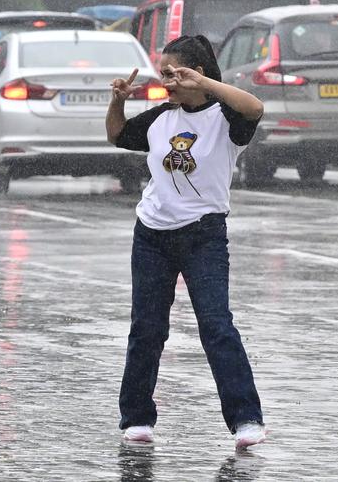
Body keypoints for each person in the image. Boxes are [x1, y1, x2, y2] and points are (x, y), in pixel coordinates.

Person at [106, 34, 267, 449]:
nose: (169, 82)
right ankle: (136, 418)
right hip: (152, 235)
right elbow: (117, 134)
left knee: (216, 326)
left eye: (176, 74)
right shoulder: (161, 119)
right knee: (147, 328)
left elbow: (256, 108)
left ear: (198, 72)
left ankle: (246, 419)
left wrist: (206, 84)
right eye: (164, 75)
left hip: (204, 236)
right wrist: (119, 100)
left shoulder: (226, 118)